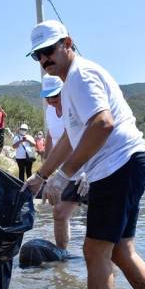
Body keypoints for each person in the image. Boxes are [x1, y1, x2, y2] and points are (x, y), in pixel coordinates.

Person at [22, 20, 145, 289]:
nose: (44, 59)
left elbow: (103, 124)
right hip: (125, 165)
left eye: (49, 50)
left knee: (94, 250)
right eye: (37, 55)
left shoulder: (81, 76)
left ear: (68, 43)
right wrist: (41, 175)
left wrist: (64, 175)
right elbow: (69, 137)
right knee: (120, 251)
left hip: (119, 165)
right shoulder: (69, 85)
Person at [41, 74, 85, 251]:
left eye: (55, 96)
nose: (52, 100)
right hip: (67, 171)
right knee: (59, 213)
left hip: (89, 169)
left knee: (101, 219)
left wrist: (88, 172)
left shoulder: (75, 107)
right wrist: (47, 159)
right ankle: (62, 257)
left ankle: (110, 264)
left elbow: (88, 137)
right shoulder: (49, 111)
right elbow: (51, 134)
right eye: (48, 97)